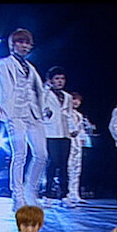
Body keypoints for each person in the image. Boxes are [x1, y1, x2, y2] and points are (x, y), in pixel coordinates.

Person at [0, 28, 48, 211]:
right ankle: (17, 195)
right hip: (14, 113)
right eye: (20, 42)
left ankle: (30, 191)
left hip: (33, 114)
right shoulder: (2, 64)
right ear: (13, 44)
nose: (24, 46)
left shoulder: (31, 68)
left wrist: (44, 108)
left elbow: (38, 91)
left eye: (27, 43)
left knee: (42, 154)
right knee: (20, 154)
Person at [41, 66, 77, 206]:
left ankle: (64, 195)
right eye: (57, 79)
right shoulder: (45, 93)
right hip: (51, 133)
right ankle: (48, 194)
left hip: (65, 133)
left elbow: (69, 114)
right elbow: (40, 105)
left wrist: (73, 129)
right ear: (50, 80)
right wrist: (46, 88)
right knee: (53, 162)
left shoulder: (67, 96)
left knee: (64, 165)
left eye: (62, 78)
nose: (60, 81)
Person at [65, 91, 93, 207]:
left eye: (78, 100)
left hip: (78, 143)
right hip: (69, 142)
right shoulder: (65, 113)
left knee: (77, 168)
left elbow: (81, 129)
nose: (76, 102)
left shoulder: (79, 115)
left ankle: (75, 193)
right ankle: (67, 193)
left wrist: (83, 139)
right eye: (74, 99)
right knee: (69, 168)